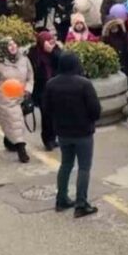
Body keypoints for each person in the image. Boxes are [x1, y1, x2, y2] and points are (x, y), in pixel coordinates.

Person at [44, 52, 101, 217]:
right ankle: (81, 204)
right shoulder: (84, 84)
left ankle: (61, 198)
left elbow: (46, 109)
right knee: (84, 167)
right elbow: (95, 110)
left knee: (65, 164)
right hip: (83, 132)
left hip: (62, 132)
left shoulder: (51, 84)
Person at [0, 36, 34, 163]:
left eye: (14, 44)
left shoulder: (24, 59)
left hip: (21, 95)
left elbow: (30, 77)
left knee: (11, 122)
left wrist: (28, 89)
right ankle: (21, 149)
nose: (13, 47)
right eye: (9, 45)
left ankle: (10, 142)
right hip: (4, 97)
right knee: (15, 120)